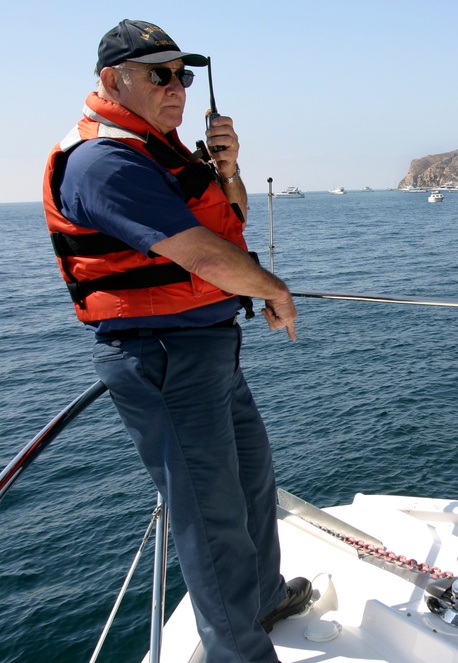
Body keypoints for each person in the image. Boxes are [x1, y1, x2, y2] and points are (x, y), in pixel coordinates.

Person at [42, 20, 310, 662]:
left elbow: (232, 216)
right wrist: (274, 288)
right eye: (157, 74)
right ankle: (238, 653)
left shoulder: (164, 154)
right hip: (163, 358)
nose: (176, 87)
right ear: (112, 80)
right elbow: (200, 254)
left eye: (182, 74)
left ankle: (263, 598)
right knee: (210, 520)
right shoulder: (105, 161)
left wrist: (227, 167)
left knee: (252, 483)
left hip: (211, 348)